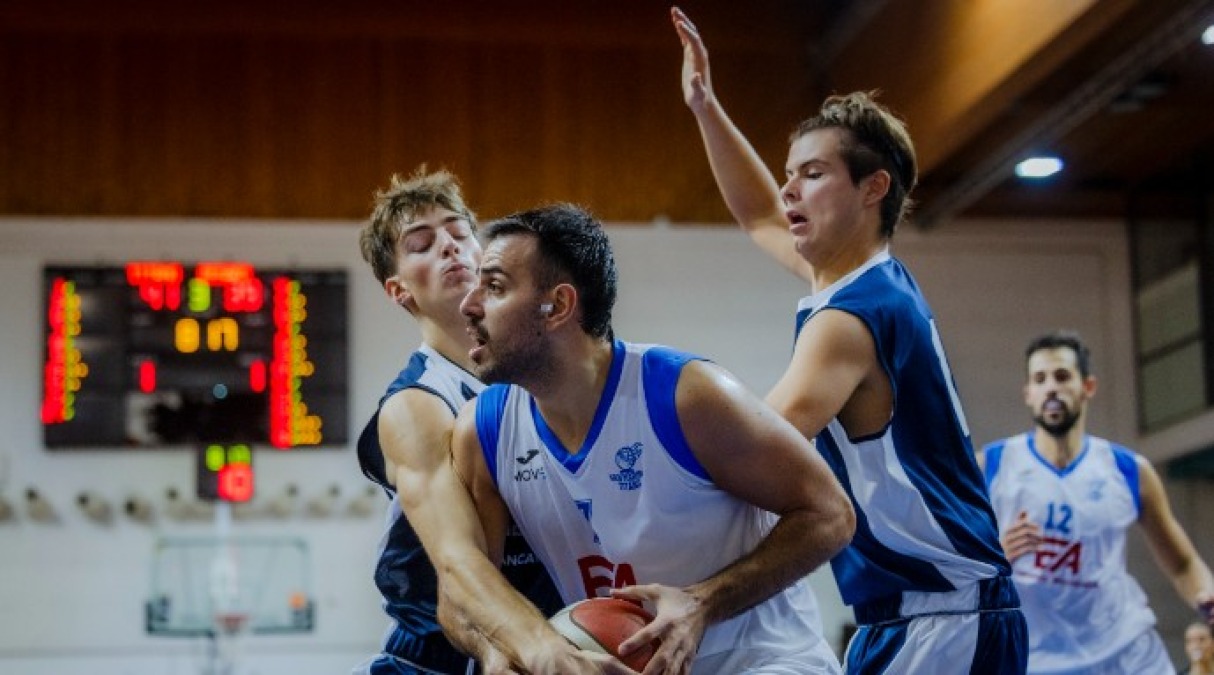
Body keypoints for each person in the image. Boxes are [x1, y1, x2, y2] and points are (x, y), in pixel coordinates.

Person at [670, 7, 1027, 673]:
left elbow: (760, 442)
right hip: (907, 614)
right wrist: (705, 106)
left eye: (811, 172)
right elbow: (756, 213)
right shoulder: (857, 284)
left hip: (945, 614)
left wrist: (646, 477)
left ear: (874, 188)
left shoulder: (850, 318)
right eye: (790, 171)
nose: (788, 187)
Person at [441, 203, 856, 674]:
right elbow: (459, 593)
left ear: (557, 306)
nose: (468, 304)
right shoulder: (484, 431)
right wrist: (499, 652)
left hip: (762, 662)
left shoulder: (686, 395)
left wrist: (702, 604)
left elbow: (831, 514)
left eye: (493, 286)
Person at [352, 167, 561, 674]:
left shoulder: (540, 378)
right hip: (434, 662)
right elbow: (459, 563)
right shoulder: (418, 404)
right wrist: (543, 650)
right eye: (422, 244)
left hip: (544, 639)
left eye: (459, 233)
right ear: (399, 291)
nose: (449, 247)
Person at [981, 330, 1214, 674]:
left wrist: (1207, 601)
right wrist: (993, 559)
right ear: (1028, 394)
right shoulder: (991, 466)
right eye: (1040, 379)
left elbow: (1182, 565)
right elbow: (949, 568)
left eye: (1062, 376)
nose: (1051, 388)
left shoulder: (1128, 470)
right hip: (1033, 658)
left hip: (1124, 654)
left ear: (1087, 387)